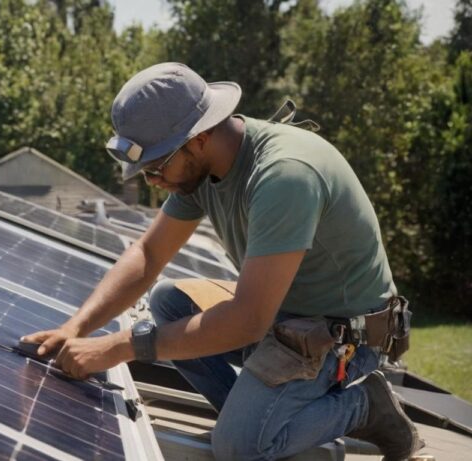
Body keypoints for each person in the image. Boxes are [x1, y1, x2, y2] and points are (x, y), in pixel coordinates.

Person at [21, 62, 420, 460]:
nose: (151, 181)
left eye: (156, 167)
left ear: (198, 138)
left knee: (238, 447)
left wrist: (123, 346)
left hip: (342, 334)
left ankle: (365, 405)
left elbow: (248, 320)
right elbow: (148, 253)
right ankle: (258, 417)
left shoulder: (284, 176)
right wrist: (77, 327)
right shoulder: (204, 168)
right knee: (167, 301)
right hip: (287, 315)